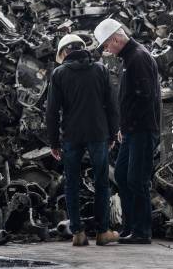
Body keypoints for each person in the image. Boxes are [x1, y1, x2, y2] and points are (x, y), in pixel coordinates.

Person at [46, 33, 120, 246]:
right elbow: (112, 105)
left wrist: (54, 142)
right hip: (98, 134)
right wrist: (113, 133)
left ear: (65, 52)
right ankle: (103, 232)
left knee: (71, 184)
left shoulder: (59, 74)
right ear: (82, 48)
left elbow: (52, 112)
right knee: (101, 183)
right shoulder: (100, 69)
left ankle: (78, 233)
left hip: (72, 136)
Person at [93, 19, 161, 244]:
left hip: (142, 129)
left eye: (106, 45)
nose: (106, 50)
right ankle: (129, 227)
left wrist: (127, 125)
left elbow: (144, 97)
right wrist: (123, 126)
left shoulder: (138, 58)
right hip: (131, 130)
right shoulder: (129, 58)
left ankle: (142, 232)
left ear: (115, 39)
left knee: (137, 179)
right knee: (122, 175)